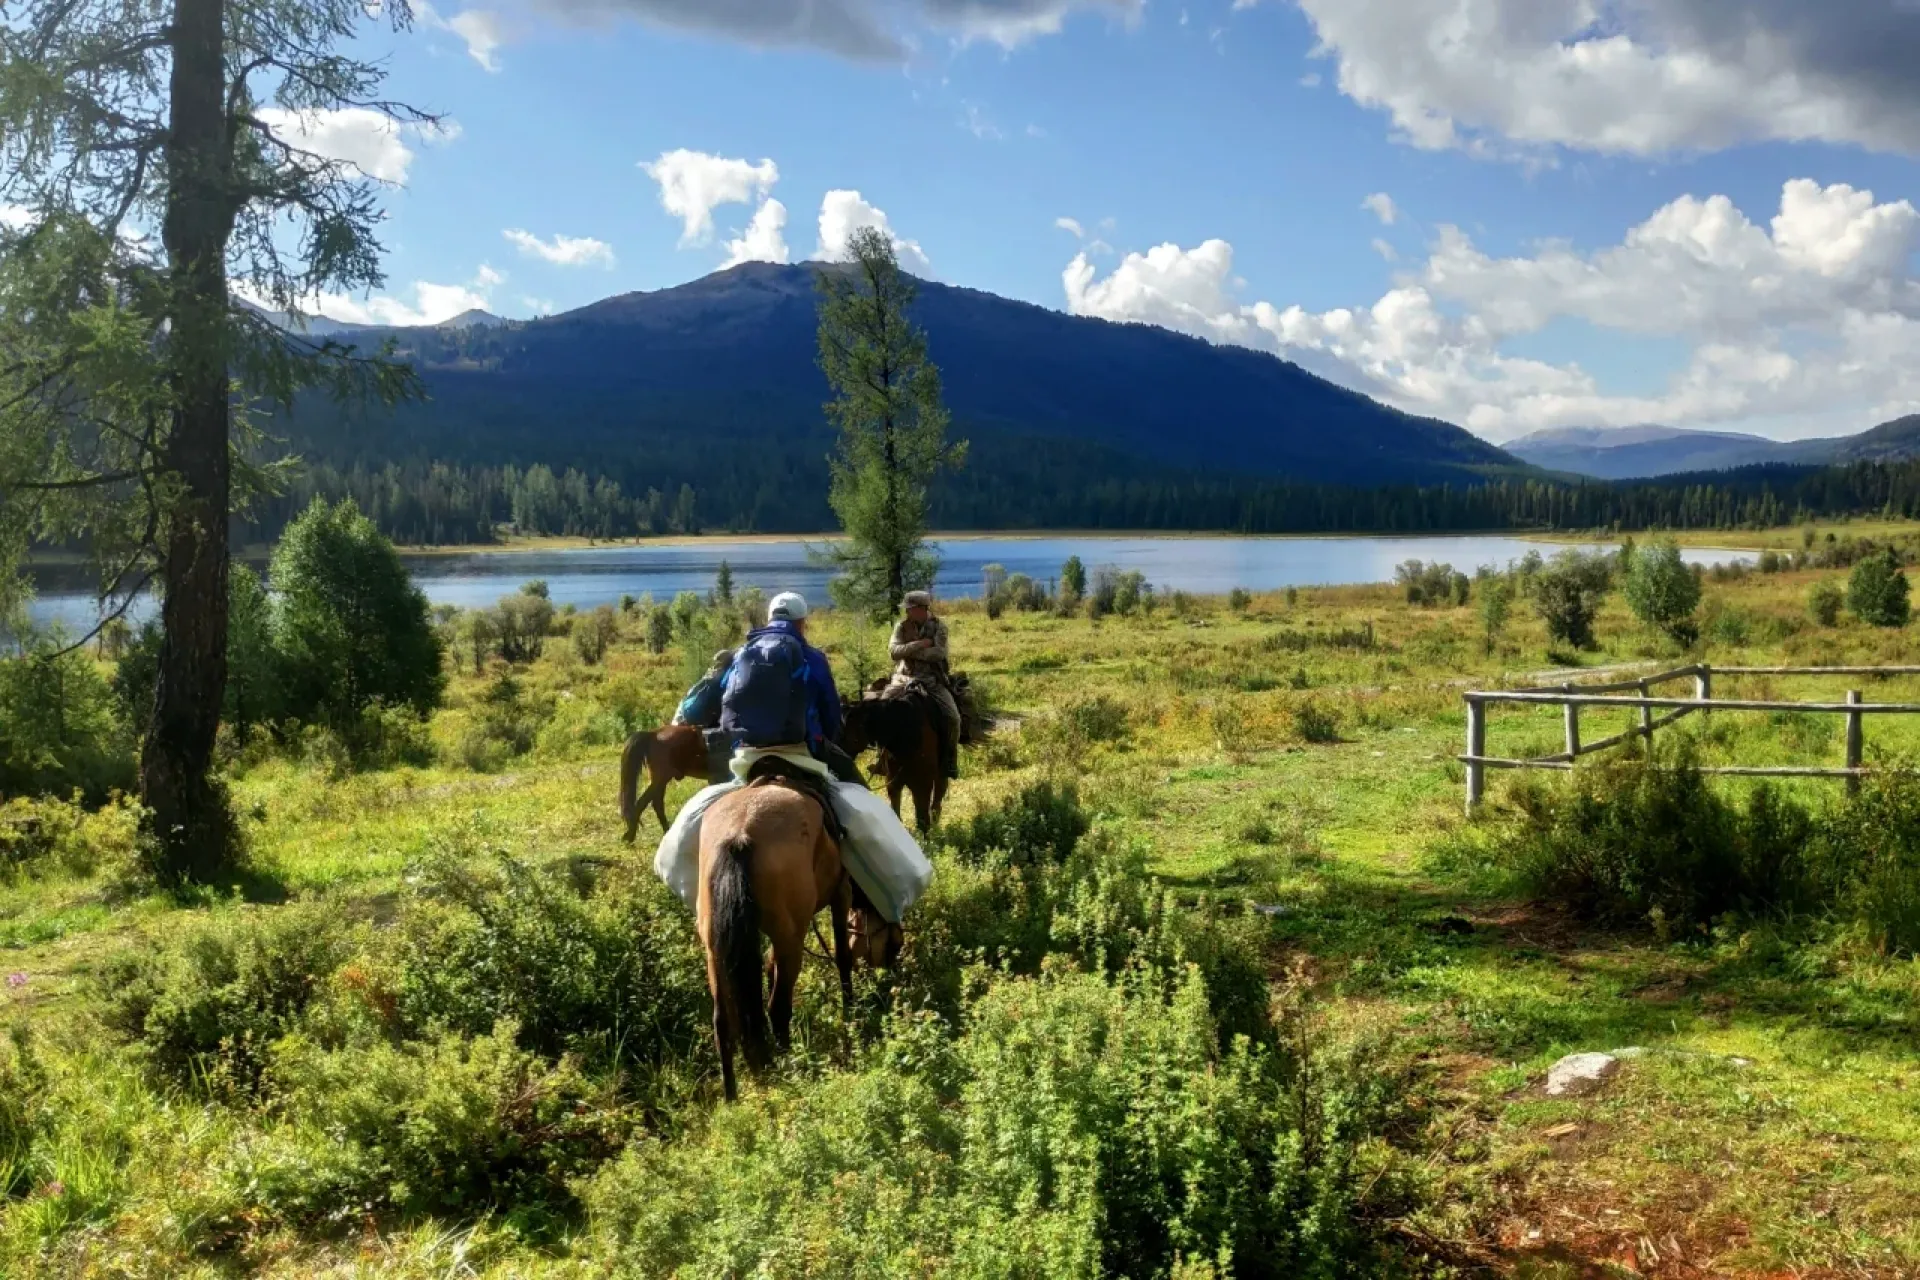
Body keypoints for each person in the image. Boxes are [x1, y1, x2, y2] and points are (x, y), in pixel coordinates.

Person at [719, 591, 862, 784]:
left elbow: (725, 692)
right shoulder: (812, 657)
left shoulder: (741, 653)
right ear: (801, 623)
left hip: (745, 748)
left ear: (769, 619)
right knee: (856, 783)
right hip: (802, 746)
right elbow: (830, 708)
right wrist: (827, 738)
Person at [889, 590, 960, 780]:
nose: (907, 613)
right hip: (903, 678)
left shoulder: (939, 627)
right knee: (882, 707)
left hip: (932, 680)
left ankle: (950, 760)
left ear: (922, 609)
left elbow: (939, 654)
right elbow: (894, 652)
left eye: (910, 609)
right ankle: (884, 759)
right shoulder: (901, 626)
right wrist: (920, 644)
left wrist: (909, 651)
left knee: (953, 718)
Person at [672, 649, 736, 728]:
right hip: (695, 715)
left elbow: (692, 692)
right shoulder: (722, 676)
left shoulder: (710, 675)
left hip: (685, 709)